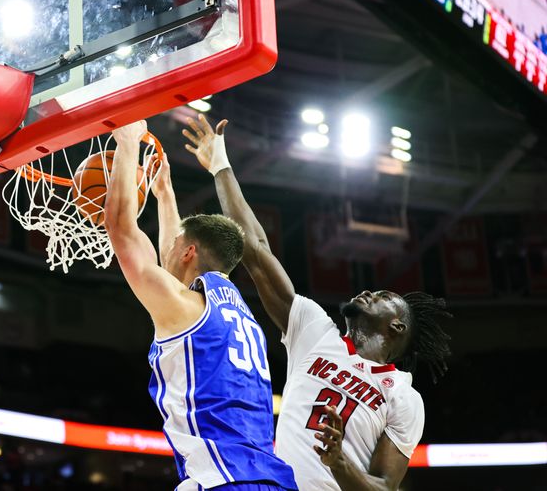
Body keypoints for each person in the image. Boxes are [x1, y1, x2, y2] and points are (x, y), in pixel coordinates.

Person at [183, 114, 452, 491]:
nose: (370, 292)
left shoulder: (403, 397)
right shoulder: (313, 328)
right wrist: (220, 166)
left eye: (384, 297)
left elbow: (384, 487)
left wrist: (340, 463)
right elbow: (256, 251)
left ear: (397, 326)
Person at [105, 121, 297, 491]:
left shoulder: (185, 305)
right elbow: (172, 260)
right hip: (269, 478)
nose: (169, 251)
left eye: (177, 244)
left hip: (224, 479)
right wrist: (165, 194)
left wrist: (127, 142)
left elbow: (120, 227)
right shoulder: (236, 310)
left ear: (190, 251)